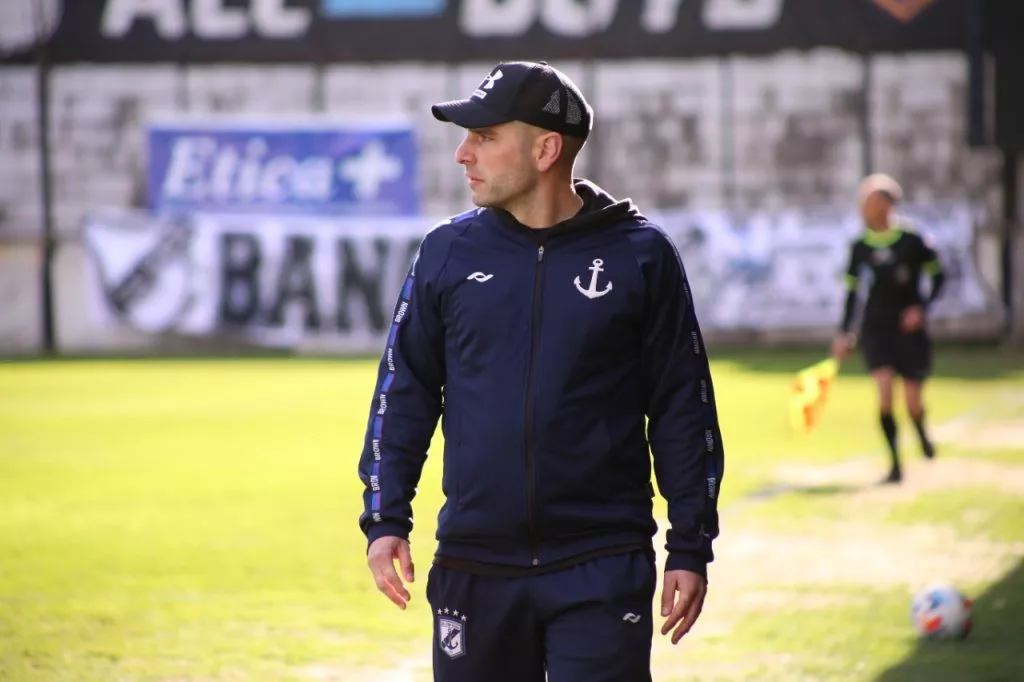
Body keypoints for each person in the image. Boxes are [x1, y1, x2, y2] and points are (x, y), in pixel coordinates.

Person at [356, 60, 726, 682]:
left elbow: (682, 408)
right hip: (474, 563)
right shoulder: (447, 252)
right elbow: (404, 390)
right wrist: (385, 516)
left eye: (484, 136)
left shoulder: (642, 256)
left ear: (547, 149)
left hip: (602, 563)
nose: (463, 154)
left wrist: (690, 545)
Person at [832, 173, 946, 484]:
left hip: (909, 331)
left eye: (868, 202)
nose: (863, 208)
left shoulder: (912, 239)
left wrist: (921, 308)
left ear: (886, 204)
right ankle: (895, 465)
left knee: (912, 400)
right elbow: (853, 293)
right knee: (884, 394)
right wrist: (845, 332)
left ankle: (920, 430)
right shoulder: (860, 246)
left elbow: (939, 276)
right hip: (876, 330)